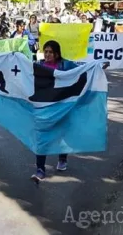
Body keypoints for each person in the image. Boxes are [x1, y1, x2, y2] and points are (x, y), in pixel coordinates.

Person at [31, 40, 80, 183]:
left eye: (50, 52)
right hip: (44, 107)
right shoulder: (38, 65)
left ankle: (62, 158)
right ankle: (40, 169)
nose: (47, 54)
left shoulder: (65, 65)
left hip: (61, 106)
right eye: (45, 51)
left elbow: (82, 70)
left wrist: (99, 66)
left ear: (57, 54)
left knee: (61, 134)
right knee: (42, 138)